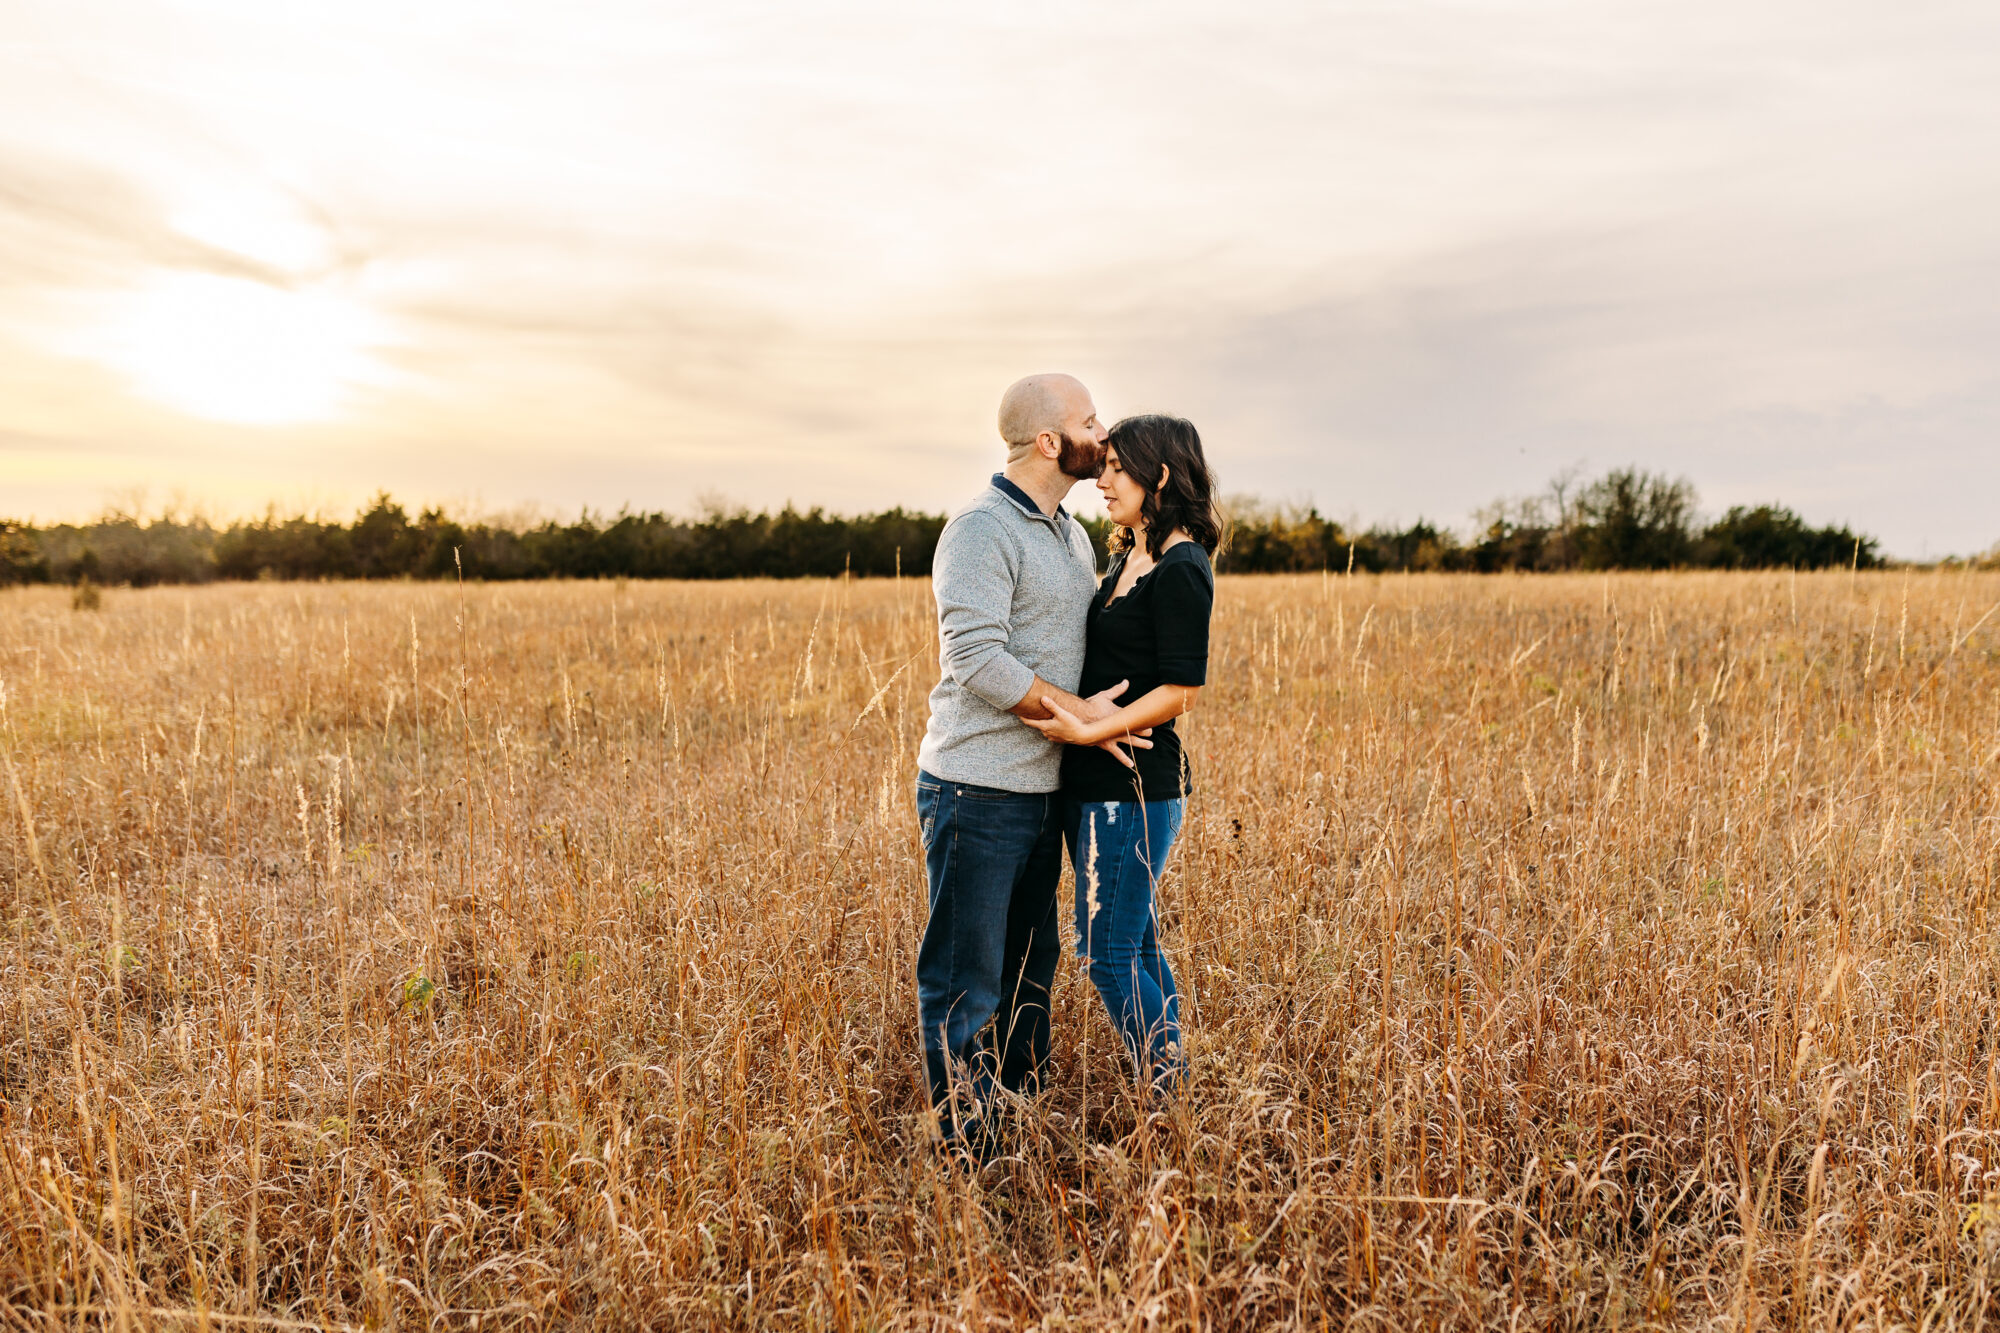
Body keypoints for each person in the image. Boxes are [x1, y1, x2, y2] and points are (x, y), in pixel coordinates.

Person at [914, 373, 1150, 1153]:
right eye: (1089, 420)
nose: (1103, 432)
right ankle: (967, 1152)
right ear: (1049, 442)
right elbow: (976, 657)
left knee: (1029, 969)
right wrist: (1081, 713)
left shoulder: (1068, 533)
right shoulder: (980, 530)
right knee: (965, 976)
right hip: (975, 787)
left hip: (1043, 788)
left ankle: (1020, 1122)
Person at [1022, 415, 1221, 1098]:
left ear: (1160, 476)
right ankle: (1174, 1085)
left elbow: (1182, 689)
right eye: (1101, 466)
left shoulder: (1181, 566)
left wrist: (1086, 729)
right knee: (1133, 944)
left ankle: (1167, 1092)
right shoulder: (1127, 556)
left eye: (1116, 468)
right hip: (1095, 787)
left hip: (1133, 790)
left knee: (1107, 956)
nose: (1101, 480)